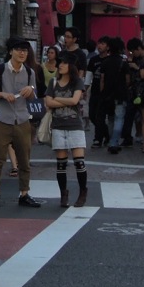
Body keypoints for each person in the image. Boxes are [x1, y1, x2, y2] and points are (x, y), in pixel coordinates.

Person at [0, 37, 42, 209]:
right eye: (18, 50)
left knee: (24, 160)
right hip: (3, 119)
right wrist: (3, 94)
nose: (22, 53)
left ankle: (24, 193)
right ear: (11, 51)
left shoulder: (30, 72)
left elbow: (34, 97)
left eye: (25, 51)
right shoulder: (0, 69)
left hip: (23, 119)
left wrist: (30, 90)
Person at [44, 59, 88, 207]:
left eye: (64, 63)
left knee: (79, 162)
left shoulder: (77, 82)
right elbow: (48, 103)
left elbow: (75, 100)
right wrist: (65, 100)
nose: (60, 66)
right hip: (58, 125)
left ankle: (83, 192)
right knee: (61, 164)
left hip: (75, 125)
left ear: (71, 66)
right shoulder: (53, 82)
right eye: (59, 63)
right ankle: (63, 193)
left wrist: (57, 98)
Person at [100, 37, 129, 154]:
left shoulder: (105, 62)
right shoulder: (123, 63)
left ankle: (112, 141)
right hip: (121, 94)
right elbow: (127, 80)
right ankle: (114, 142)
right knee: (119, 118)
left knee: (110, 118)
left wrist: (102, 93)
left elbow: (102, 80)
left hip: (107, 94)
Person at [88, 37, 109, 147]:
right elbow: (89, 75)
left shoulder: (110, 60)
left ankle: (98, 138)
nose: (100, 46)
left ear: (108, 46)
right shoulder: (93, 60)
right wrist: (84, 89)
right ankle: (106, 133)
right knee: (92, 115)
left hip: (106, 92)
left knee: (100, 116)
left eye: (103, 43)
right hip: (94, 91)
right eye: (99, 43)